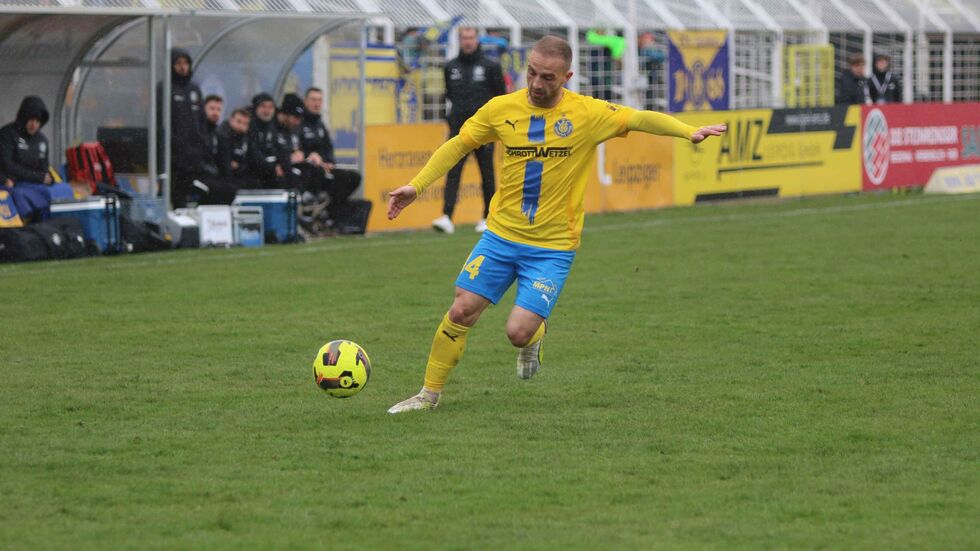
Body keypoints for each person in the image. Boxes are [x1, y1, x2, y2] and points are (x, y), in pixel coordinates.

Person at [385, 36, 726, 414]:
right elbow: (457, 145)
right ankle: (428, 395)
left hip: (552, 247)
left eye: (547, 77)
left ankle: (534, 336)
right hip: (500, 236)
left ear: (567, 76)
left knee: (517, 333)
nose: (535, 83)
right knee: (462, 309)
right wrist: (416, 186)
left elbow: (639, 118)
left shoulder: (588, 113)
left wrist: (687, 130)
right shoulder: (501, 108)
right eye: (531, 72)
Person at [433, 26, 507, 235]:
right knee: (453, 172)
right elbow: (449, 94)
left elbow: (500, 96)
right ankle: (446, 217)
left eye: (471, 38)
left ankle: (487, 217)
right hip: (458, 130)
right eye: (464, 38)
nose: (467, 41)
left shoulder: (490, 66)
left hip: (484, 131)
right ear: (459, 40)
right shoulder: (450, 67)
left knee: (487, 174)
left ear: (477, 40)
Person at [300, 87, 361, 228]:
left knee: (353, 178)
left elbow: (328, 148)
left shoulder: (320, 124)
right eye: (313, 100)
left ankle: (330, 213)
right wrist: (310, 157)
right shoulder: (299, 123)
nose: (317, 103)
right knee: (317, 174)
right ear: (305, 101)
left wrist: (329, 162)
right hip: (309, 169)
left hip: (324, 169)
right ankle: (312, 216)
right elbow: (297, 149)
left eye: (319, 100)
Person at [157, 49, 211, 207]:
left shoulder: (194, 89)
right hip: (172, 155)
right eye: (178, 63)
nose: (182, 67)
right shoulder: (164, 87)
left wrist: (203, 143)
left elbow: (201, 120)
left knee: (185, 195)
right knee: (168, 193)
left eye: (185, 63)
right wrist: (171, 144)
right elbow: (160, 120)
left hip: (193, 155)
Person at [0, 96, 63, 222]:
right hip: (9, 182)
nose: (34, 125)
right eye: (31, 120)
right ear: (23, 118)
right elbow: (7, 165)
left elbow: (43, 168)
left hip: (31, 183)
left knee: (62, 190)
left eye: (38, 121)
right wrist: (37, 177)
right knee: (19, 195)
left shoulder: (42, 141)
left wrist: (46, 177)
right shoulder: (7, 134)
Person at [246, 92, 291, 188]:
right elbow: (253, 153)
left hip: (272, 168)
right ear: (256, 108)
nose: (267, 110)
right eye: (263, 106)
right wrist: (272, 168)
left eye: (270, 107)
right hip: (255, 171)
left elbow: (280, 149)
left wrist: (282, 165)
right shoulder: (249, 126)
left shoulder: (273, 126)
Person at [215, 107, 256, 188]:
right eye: (238, 121)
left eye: (245, 124)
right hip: (224, 178)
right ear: (231, 120)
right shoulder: (222, 135)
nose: (241, 126)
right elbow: (225, 165)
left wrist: (240, 166)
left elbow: (251, 161)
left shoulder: (247, 137)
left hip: (241, 175)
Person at [203, 94, 224, 172]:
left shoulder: (218, 132)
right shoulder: (197, 129)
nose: (215, 113)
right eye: (212, 108)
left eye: (219, 109)